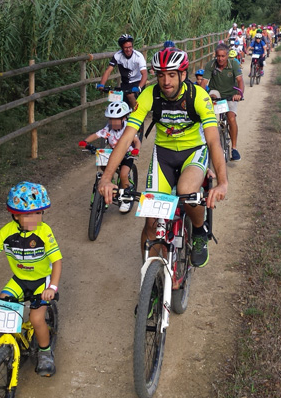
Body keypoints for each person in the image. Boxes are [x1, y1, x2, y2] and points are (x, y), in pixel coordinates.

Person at [98, 48, 228, 268]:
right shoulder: (149, 95)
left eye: (171, 74)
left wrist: (223, 182)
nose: (165, 81)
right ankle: (150, 280)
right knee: (151, 223)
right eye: (160, 75)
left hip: (193, 151)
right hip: (163, 156)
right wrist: (107, 177)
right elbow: (127, 136)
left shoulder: (198, 96)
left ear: (182, 75)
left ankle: (198, 230)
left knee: (187, 191)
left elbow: (213, 141)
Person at [0, 182, 63, 377]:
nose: (35, 218)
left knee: (36, 317)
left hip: (41, 281)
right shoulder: (7, 232)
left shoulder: (44, 231)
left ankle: (45, 352)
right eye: (28, 214)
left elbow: (57, 261)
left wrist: (52, 287)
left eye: (39, 213)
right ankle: (8, 345)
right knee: (1, 305)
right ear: (15, 215)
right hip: (19, 279)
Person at [79, 101, 141, 213]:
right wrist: (85, 142)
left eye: (116, 119)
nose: (113, 122)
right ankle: (109, 181)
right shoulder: (108, 128)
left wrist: (136, 149)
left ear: (124, 118)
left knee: (123, 174)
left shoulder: (128, 128)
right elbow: (96, 135)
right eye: (111, 119)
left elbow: (136, 141)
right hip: (113, 155)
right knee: (103, 166)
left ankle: (126, 199)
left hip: (127, 154)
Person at [201, 44, 244, 161]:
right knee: (209, 115)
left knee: (231, 118)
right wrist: (200, 95)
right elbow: (204, 82)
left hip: (231, 94)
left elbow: (240, 80)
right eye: (218, 56)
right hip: (216, 93)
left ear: (227, 55)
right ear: (215, 55)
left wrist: (239, 94)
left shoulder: (234, 64)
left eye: (223, 56)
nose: (220, 59)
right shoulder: (210, 65)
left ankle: (234, 148)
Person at [99, 34, 148, 112]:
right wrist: (102, 84)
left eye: (130, 47)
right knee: (117, 101)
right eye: (126, 47)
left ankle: (136, 115)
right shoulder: (117, 55)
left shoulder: (138, 56)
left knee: (130, 95)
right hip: (125, 83)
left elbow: (145, 74)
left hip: (138, 82)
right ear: (122, 48)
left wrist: (139, 87)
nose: (128, 50)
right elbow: (108, 71)